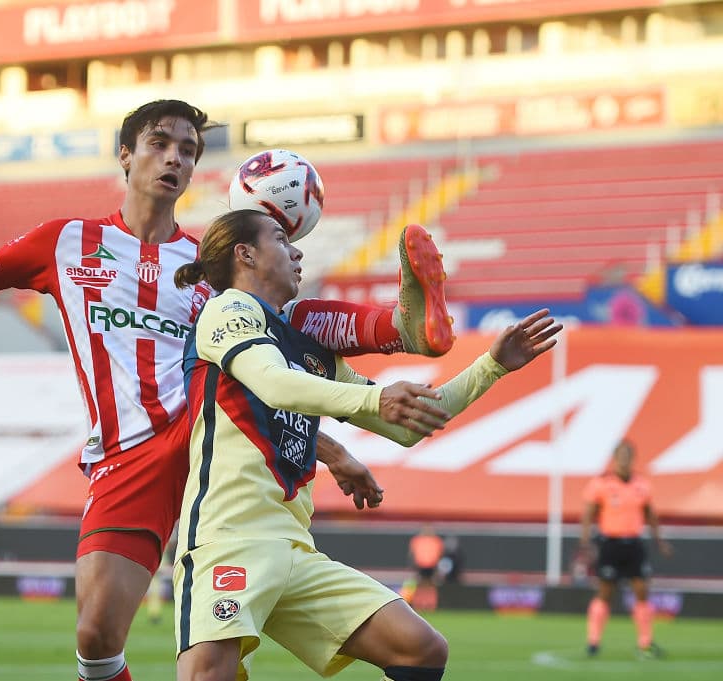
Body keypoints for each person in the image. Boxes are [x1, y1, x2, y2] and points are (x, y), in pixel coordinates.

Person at [0, 100, 456, 681]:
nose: (176, 158)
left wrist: (329, 449)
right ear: (126, 156)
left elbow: (253, 369)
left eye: (187, 148)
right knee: (96, 636)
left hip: (215, 440)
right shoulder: (66, 243)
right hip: (130, 452)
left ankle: (402, 325)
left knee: (296, 323)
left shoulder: (210, 266)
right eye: (160, 143)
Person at [172, 209, 562, 681]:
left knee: (419, 648)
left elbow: (407, 425)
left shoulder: (309, 349)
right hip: (229, 539)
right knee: (207, 676)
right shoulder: (228, 309)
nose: (297, 251)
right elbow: (272, 383)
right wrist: (378, 396)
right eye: (279, 238)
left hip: (295, 548)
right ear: (245, 254)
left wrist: (492, 366)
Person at [579, 439, 673, 659]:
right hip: (610, 543)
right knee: (605, 592)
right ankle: (593, 641)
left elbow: (650, 514)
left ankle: (645, 642)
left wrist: (659, 540)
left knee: (642, 590)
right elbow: (588, 514)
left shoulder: (642, 484)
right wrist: (585, 542)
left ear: (633, 457)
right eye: (621, 455)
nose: (624, 459)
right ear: (614, 458)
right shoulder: (601, 484)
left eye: (628, 455)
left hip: (634, 543)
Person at [408, 523, 444, 611]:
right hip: (420, 565)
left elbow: (439, 555)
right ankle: (419, 603)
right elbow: (412, 553)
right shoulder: (417, 540)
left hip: (432, 566)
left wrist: (438, 569)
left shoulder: (436, 540)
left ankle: (430, 604)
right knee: (420, 585)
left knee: (431, 585)